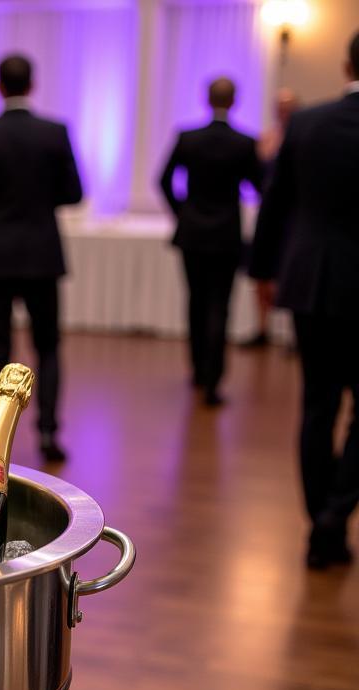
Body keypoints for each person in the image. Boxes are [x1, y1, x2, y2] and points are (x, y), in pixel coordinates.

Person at [250, 32, 359, 570]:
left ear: (345, 64)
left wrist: (263, 273)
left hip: (313, 282)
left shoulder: (309, 124)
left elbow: (275, 206)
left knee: (317, 405)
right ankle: (335, 515)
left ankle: (321, 519)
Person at [0, 55, 82, 463]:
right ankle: (47, 432)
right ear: (33, 83)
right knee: (48, 345)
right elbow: (74, 192)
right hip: (42, 254)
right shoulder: (55, 132)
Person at [159, 78, 264, 407]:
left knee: (196, 301)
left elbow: (163, 180)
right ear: (235, 101)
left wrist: (183, 212)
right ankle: (213, 380)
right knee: (221, 304)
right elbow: (259, 185)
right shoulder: (244, 143)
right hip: (226, 234)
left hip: (192, 233)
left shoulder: (188, 137)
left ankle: (199, 369)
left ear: (206, 98)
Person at [242, 87, 300, 349]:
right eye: (280, 106)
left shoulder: (303, 137)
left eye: (288, 106)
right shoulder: (266, 138)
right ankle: (262, 329)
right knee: (262, 271)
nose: (283, 111)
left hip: (294, 215)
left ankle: (292, 333)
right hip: (268, 213)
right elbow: (254, 177)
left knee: (290, 270)